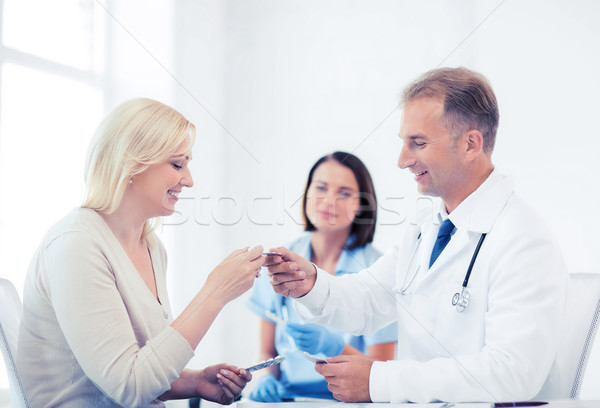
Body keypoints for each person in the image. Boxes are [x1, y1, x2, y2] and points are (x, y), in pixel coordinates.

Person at [265, 67, 569, 403]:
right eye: (404, 143)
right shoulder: (426, 229)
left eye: (418, 143)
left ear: (470, 144)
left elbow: (512, 374)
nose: (402, 160)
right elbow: (367, 301)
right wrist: (310, 283)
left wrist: (381, 381)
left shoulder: (523, 239)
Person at [17, 98, 264, 407]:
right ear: (130, 165)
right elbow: (129, 387)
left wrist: (196, 381)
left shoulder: (151, 246)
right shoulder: (76, 245)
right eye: (177, 164)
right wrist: (215, 293)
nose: (189, 180)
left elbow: (141, 368)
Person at [246, 152, 397, 402]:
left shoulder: (380, 269)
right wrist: (264, 377)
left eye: (345, 193)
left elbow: (383, 372)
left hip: (352, 400)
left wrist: (334, 346)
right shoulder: (279, 262)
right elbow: (266, 350)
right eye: (321, 188)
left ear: (362, 205)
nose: (329, 201)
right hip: (288, 398)